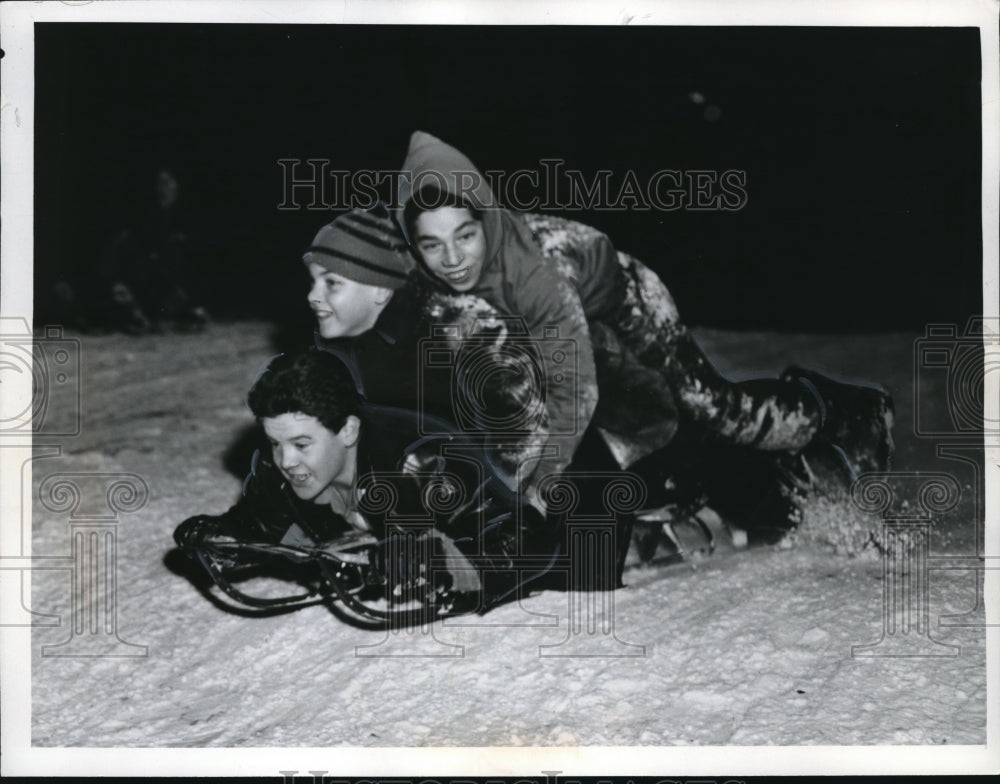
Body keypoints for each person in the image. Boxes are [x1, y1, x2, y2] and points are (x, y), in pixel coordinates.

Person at [395, 131, 896, 540]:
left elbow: (577, 389)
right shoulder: (436, 284)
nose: (453, 259)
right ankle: (683, 487)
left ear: (487, 221)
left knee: (714, 408)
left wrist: (532, 484)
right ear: (415, 248)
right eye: (433, 245)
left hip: (625, 304)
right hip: (550, 328)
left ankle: (837, 408)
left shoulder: (538, 272)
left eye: (464, 236)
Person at [173, 348, 564, 620]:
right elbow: (258, 526)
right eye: (275, 443)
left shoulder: (427, 462)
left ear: (348, 430)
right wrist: (219, 539)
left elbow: (529, 536)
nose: (286, 460)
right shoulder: (279, 471)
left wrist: (452, 563)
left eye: (302, 444)